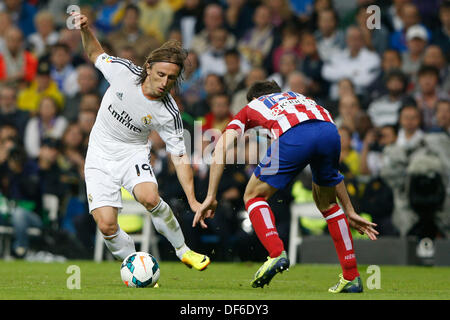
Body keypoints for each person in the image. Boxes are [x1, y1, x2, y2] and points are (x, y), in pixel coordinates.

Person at [193, 81, 378, 292]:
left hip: (294, 136)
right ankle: (352, 277)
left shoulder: (253, 106)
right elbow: (335, 175)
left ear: (254, 99)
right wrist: (350, 210)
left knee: (253, 195)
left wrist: (210, 196)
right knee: (328, 205)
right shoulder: (301, 98)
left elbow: (220, 149)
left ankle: (275, 253)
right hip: (329, 130)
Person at [72, 12, 210, 270]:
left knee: (149, 196)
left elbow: (180, 157)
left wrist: (192, 199)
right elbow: (95, 54)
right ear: (148, 67)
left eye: (171, 78)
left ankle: (183, 250)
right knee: (106, 224)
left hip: (132, 152)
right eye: (160, 74)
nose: (164, 82)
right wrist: (85, 30)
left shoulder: (168, 112)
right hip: (99, 154)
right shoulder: (122, 72)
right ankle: (135, 267)